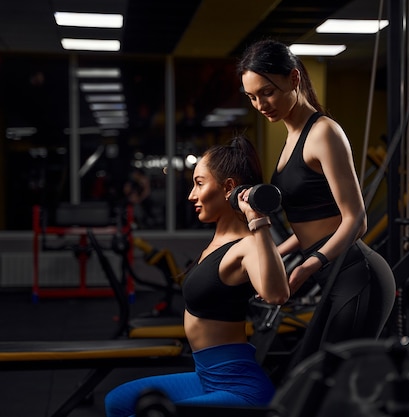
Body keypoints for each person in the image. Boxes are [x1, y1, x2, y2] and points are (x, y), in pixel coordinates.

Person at [104, 135, 290, 416]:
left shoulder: (248, 245)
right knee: (117, 402)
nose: (191, 194)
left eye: (199, 184)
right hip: (205, 377)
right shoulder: (219, 239)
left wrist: (258, 221)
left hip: (238, 388)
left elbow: (277, 294)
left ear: (228, 187)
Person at [238, 39, 396, 367]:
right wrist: (271, 255)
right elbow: (314, 223)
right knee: (306, 374)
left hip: (358, 275)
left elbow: (355, 220)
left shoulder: (324, 132)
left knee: (330, 380)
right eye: (252, 97)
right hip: (334, 276)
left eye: (266, 92)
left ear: (294, 79)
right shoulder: (291, 138)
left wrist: (306, 267)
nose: (260, 104)